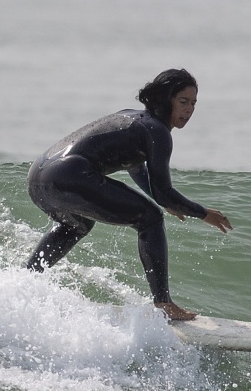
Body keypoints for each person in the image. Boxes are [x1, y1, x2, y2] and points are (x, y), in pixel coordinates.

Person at [25, 69, 231, 321]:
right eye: (183, 101)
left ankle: (25, 281)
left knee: (77, 225)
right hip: (69, 175)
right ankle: (163, 303)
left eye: (194, 103)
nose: (189, 110)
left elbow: (134, 166)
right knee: (150, 218)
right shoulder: (158, 132)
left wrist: (161, 199)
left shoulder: (133, 118)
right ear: (166, 99)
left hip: (39, 176)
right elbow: (164, 193)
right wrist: (202, 213)